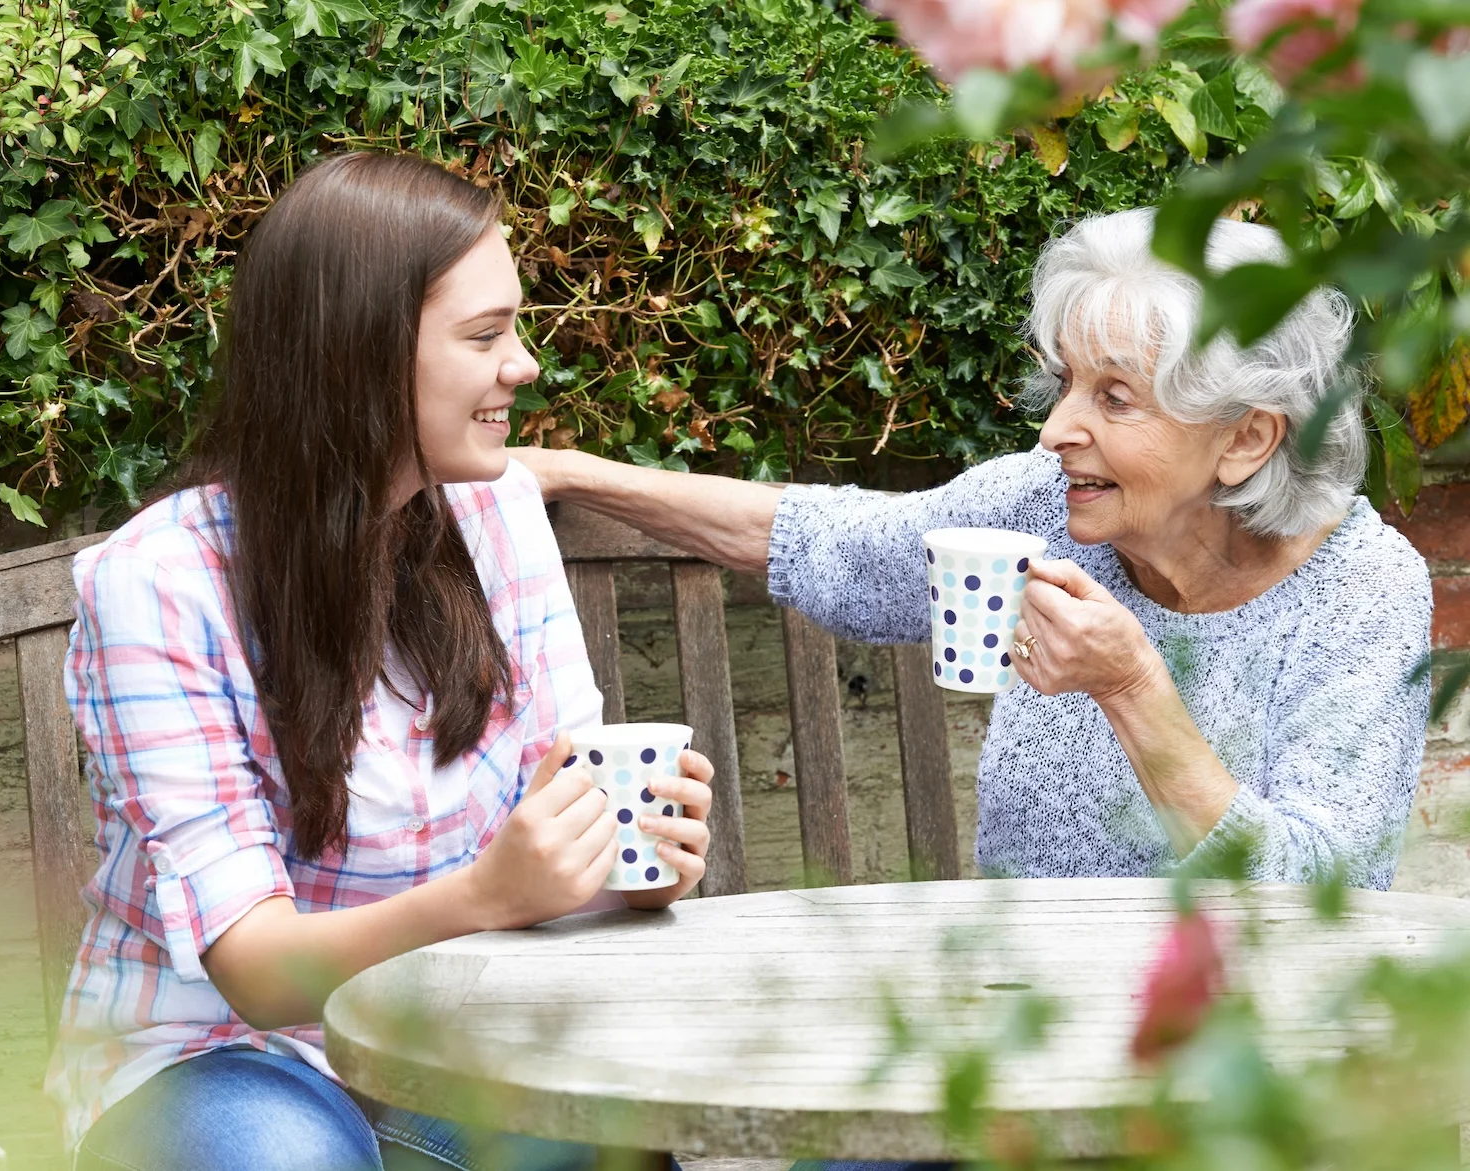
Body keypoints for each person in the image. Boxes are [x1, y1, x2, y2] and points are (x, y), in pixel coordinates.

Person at [46, 152, 715, 1171]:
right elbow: (256, 970)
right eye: (484, 335)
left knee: (610, 1140)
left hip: (452, 1039)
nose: (524, 363)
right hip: (219, 1056)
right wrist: (486, 897)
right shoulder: (158, 582)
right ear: (355, 354)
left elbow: (556, 817)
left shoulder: (495, 520)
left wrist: (622, 861)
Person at [518, 207, 1433, 897]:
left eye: (1115, 398)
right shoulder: (1045, 507)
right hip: (1013, 1031)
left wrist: (1133, 690)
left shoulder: (1358, 591)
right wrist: (571, 472)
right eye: (1067, 381)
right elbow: (830, 542)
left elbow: (1325, 897)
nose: (1054, 429)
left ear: (1245, 439)